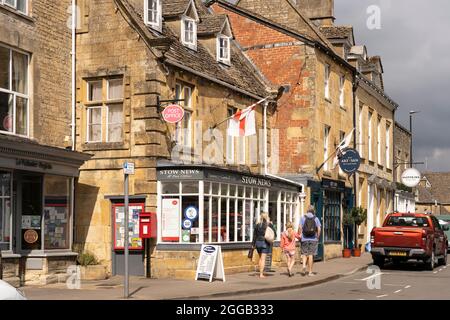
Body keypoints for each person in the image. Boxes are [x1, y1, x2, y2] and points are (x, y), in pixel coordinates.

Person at [298, 205, 321, 276]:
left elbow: (299, 228)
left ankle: (304, 265)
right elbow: (319, 229)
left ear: (307, 210)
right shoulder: (316, 218)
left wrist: (300, 235)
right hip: (313, 239)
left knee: (304, 253)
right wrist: (318, 237)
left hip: (304, 238)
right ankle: (310, 272)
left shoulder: (303, 218)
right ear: (313, 210)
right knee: (311, 255)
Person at [252, 212, 276, 278]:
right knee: (263, 259)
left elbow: (254, 235)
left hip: (258, 243)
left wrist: (253, 244)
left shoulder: (257, 225)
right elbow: (274, 233)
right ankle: (261, 274)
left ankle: (260, 272)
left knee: (260, 258)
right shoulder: (269, 224)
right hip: (264, 243)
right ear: (267, 217)